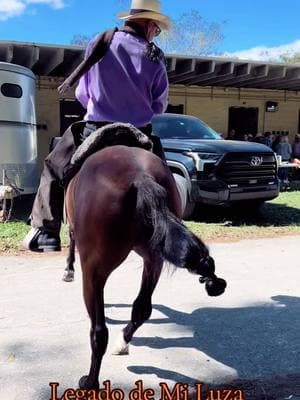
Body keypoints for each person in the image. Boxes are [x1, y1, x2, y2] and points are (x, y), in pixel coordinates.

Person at [23, 0, 171, 252]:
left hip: (96, 128)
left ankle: (46, 231)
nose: (155, 33)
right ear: (148, 24)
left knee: (53, 166)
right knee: (165, 177)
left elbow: (82, 92)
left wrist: (99, 101)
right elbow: (159, 105)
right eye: (156, 29)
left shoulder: (100, 43)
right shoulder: (154, 56)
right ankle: (171, 227)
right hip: (140, 134)